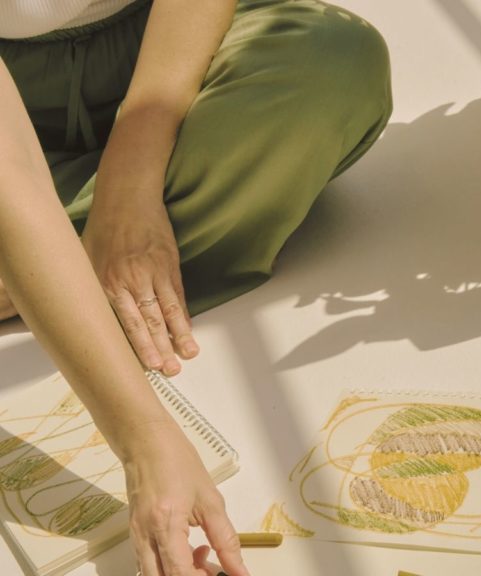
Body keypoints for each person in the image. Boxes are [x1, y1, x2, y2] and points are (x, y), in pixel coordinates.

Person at [0, 0, 392, 574]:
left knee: (336, 62)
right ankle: (52, 259)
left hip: (166, 43)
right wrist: (145, 443)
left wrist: (128, 190)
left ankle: (40, 270)